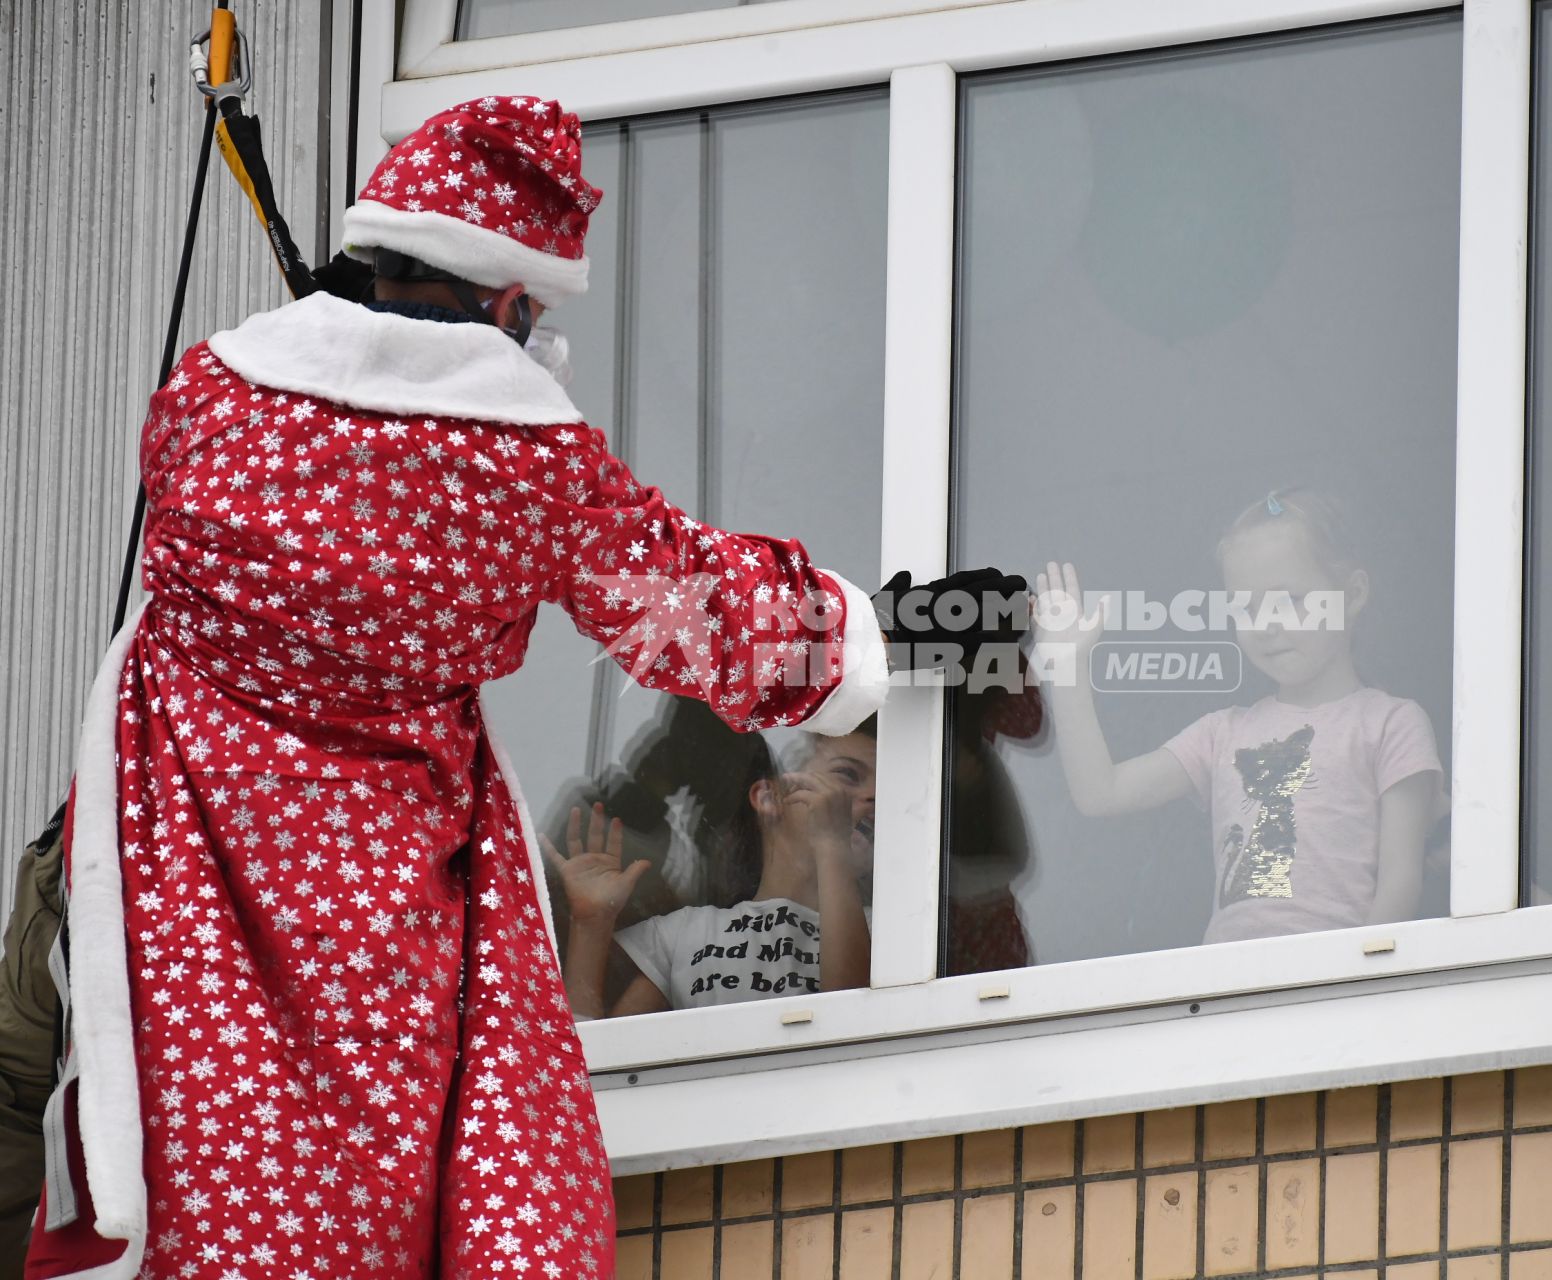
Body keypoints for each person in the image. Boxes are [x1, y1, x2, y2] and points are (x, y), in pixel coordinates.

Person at [27, 96, 910, 1280]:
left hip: (168, 863)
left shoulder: (206, 400)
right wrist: (876, 631)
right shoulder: (527, 468)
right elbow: (686, 609)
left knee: (193, 1147)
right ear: (508, 301)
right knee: (358, 1180)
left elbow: (309, 454)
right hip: (380, 905)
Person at [1035, 488, 1441, 942]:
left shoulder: (1392, 724)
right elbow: (1101, 792)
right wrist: (1068, 668)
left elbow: (1401, 883)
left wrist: (1360, 982)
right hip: (1229, 991)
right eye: (1246, 608)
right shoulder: (1222, 733)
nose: (1266, 624)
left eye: (1288, 600)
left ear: (1352, 593)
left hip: (1335, 989)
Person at [552, 725, 877, 1016]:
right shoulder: (686, 934)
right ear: (769, 797)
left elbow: (848, 1014)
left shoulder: (891, 934)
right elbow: (605, 1058)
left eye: (886, 788)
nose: (874, 796)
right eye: (848, 774)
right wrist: (591, 926)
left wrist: (832, 846)